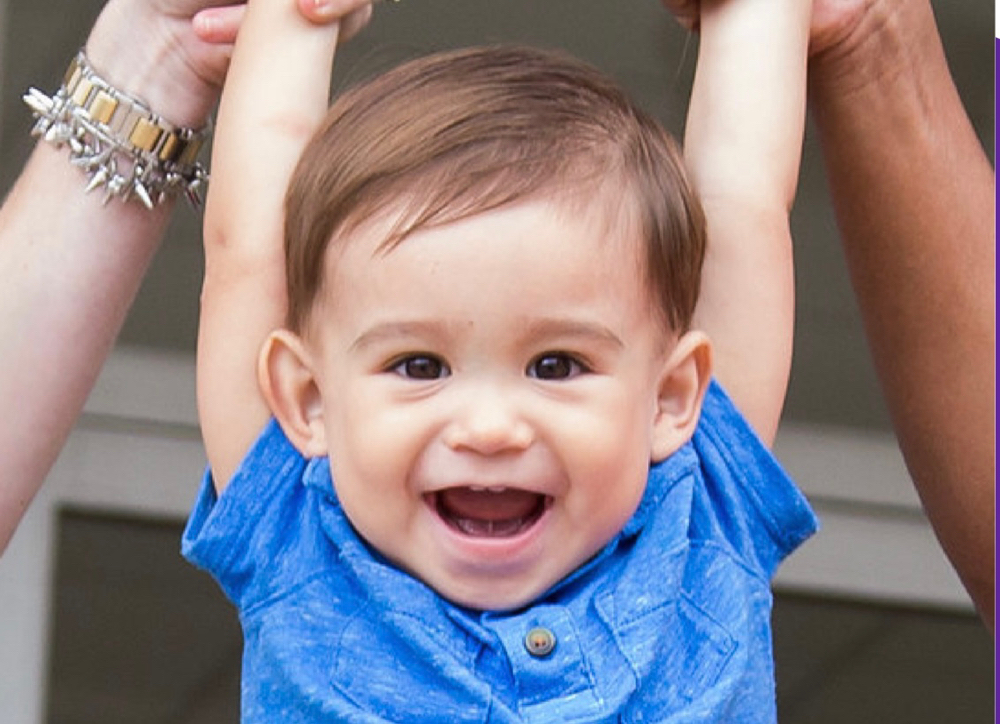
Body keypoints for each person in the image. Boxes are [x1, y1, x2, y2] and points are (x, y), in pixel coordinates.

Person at [182, 0, 814, 720]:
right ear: (308, 400)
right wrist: (292, 15)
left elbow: (744, 204)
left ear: (670, 397)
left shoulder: (704, 521)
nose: (489, 428)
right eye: (420, 367)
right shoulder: (295, 540)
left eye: (555, 366)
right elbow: (246, 252)